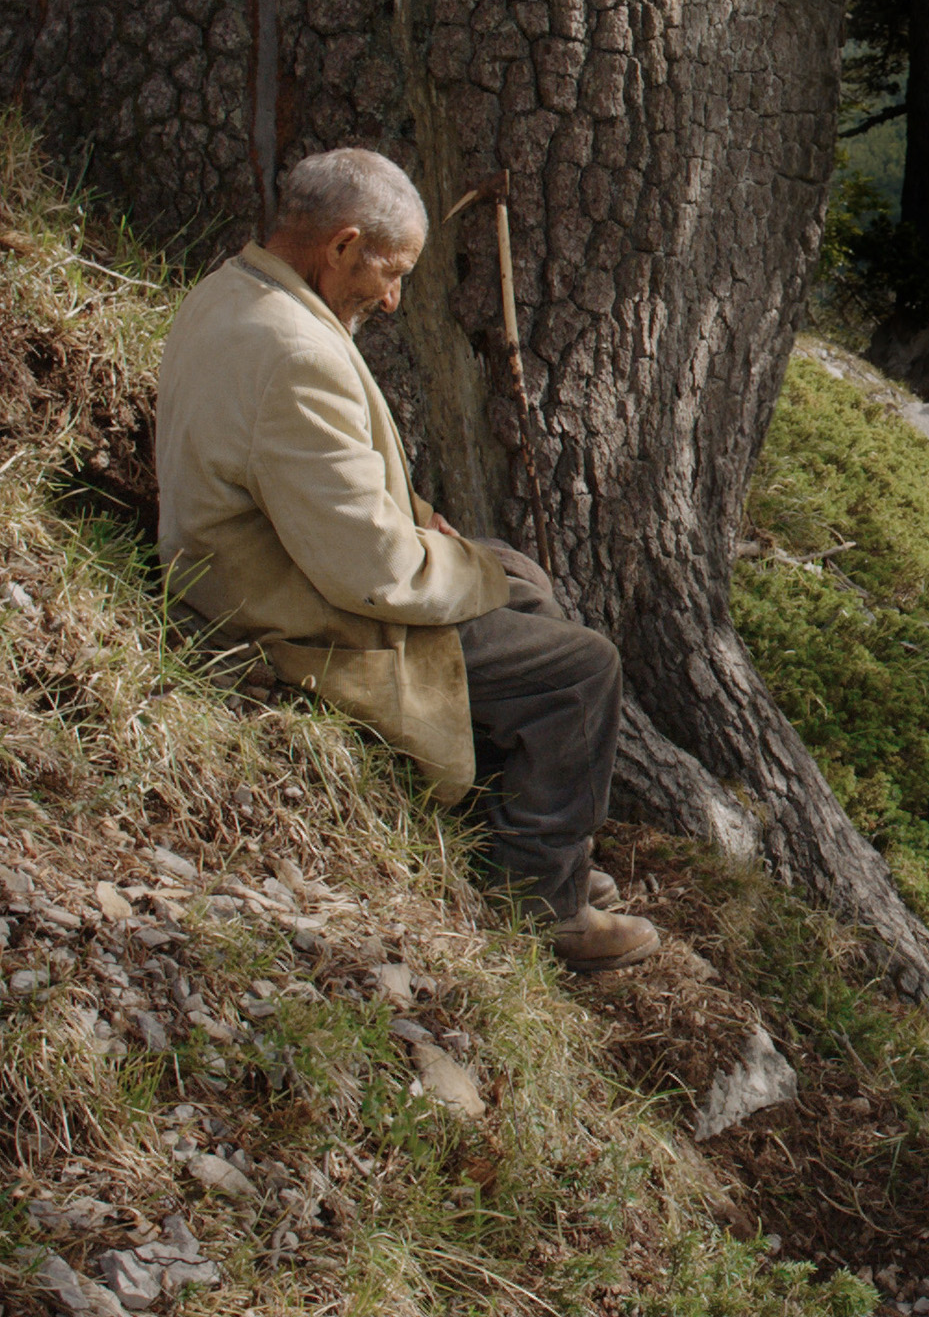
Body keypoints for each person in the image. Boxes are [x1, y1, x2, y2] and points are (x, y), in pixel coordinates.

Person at [152, 147, 656, 969]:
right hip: (282, 616)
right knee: (580, 669)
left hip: (258, 563)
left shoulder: (233, 291)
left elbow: (312, 477)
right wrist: (467, 567)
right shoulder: (297, 354)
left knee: (526, 583)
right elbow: (375, 574)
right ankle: (540, 903)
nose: (391, 300)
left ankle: (532, 836)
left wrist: (436, 532)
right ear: (342, 245)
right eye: (391, 273)